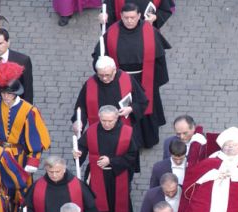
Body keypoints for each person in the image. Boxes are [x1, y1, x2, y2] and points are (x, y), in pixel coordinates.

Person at [94, 3, 171, 148]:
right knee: (125, 112)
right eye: (126, 18)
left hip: (144, 78)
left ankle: (148, 139)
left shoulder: (150, 31)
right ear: (121, 17)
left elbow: (159, 58)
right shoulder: (111, 32)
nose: (129, 21)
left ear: (139, 16)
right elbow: (99, 55)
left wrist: (156, 81)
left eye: (132, 17)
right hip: (121, 79)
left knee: (145, 106)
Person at [0, 61, 51, 212]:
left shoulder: (29, 111)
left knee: (20, 189)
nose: (5, 97)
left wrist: (32, 162)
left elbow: (36, 139)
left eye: (9, 94)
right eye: (3, 93)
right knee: (0, 187)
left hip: (19, 156)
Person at [74, 105, 138, 212]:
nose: (107, 124)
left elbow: (132, 156)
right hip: (96, 173)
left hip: (117, 175)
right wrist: (78, 153)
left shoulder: (127, 132)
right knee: (97, 203)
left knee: (116, 203)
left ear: (117, 118)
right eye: (103, 120)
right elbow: (82, 146)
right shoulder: (92, 131)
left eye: (110, 121)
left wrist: (111, 161)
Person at [23, 156, 102, 212]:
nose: (54, 175)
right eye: (51, 172)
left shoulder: (78, 185)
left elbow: (91, 209)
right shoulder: (37, 186)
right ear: (46, 170)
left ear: (64, 169)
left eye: (57, 171)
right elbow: (28, 207)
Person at [71, 56, 147, 136]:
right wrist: (78, 120)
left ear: (114, 70)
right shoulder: (90, 84)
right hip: (99, 131)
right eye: (100, 75)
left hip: (122, 128)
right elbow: (81, 106)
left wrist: (131, 108)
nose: (104, 78)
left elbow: (142, 100)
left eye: (108, 75)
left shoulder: (127, 79)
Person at [100, 0, 174, 29]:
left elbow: (165, 9)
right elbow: (108, 8)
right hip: (121, 35)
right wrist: (104, 15)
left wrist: (156, 17)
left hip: (147, 33)